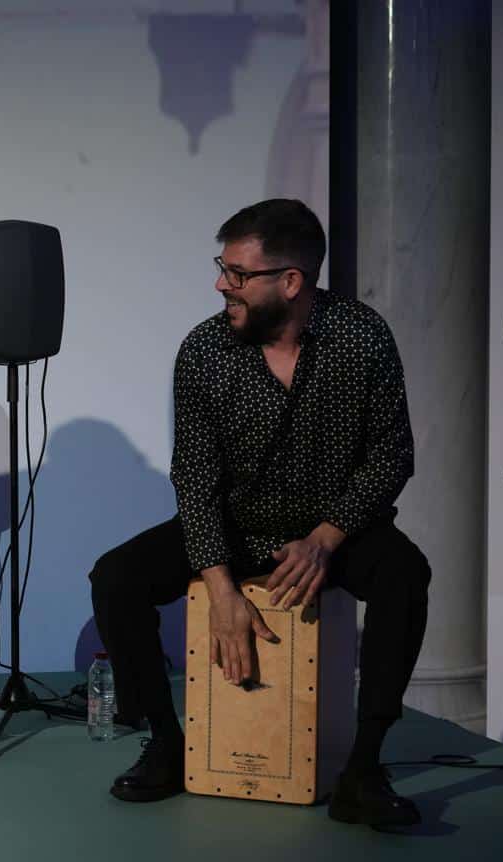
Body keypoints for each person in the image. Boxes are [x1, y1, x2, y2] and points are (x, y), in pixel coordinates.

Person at [89, 199, 429, 828]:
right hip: (237, 524)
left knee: (405, 573)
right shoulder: (204, 350)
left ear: (291, 281)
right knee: (115, 578)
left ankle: (364, 768)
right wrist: (220, 588)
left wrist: (325, 538)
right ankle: (165, 742)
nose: (222, 284)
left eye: (239, 273)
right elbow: (194, 475)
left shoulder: (361, 337)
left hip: (331, 528)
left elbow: (393, 453)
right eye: (223, 268)